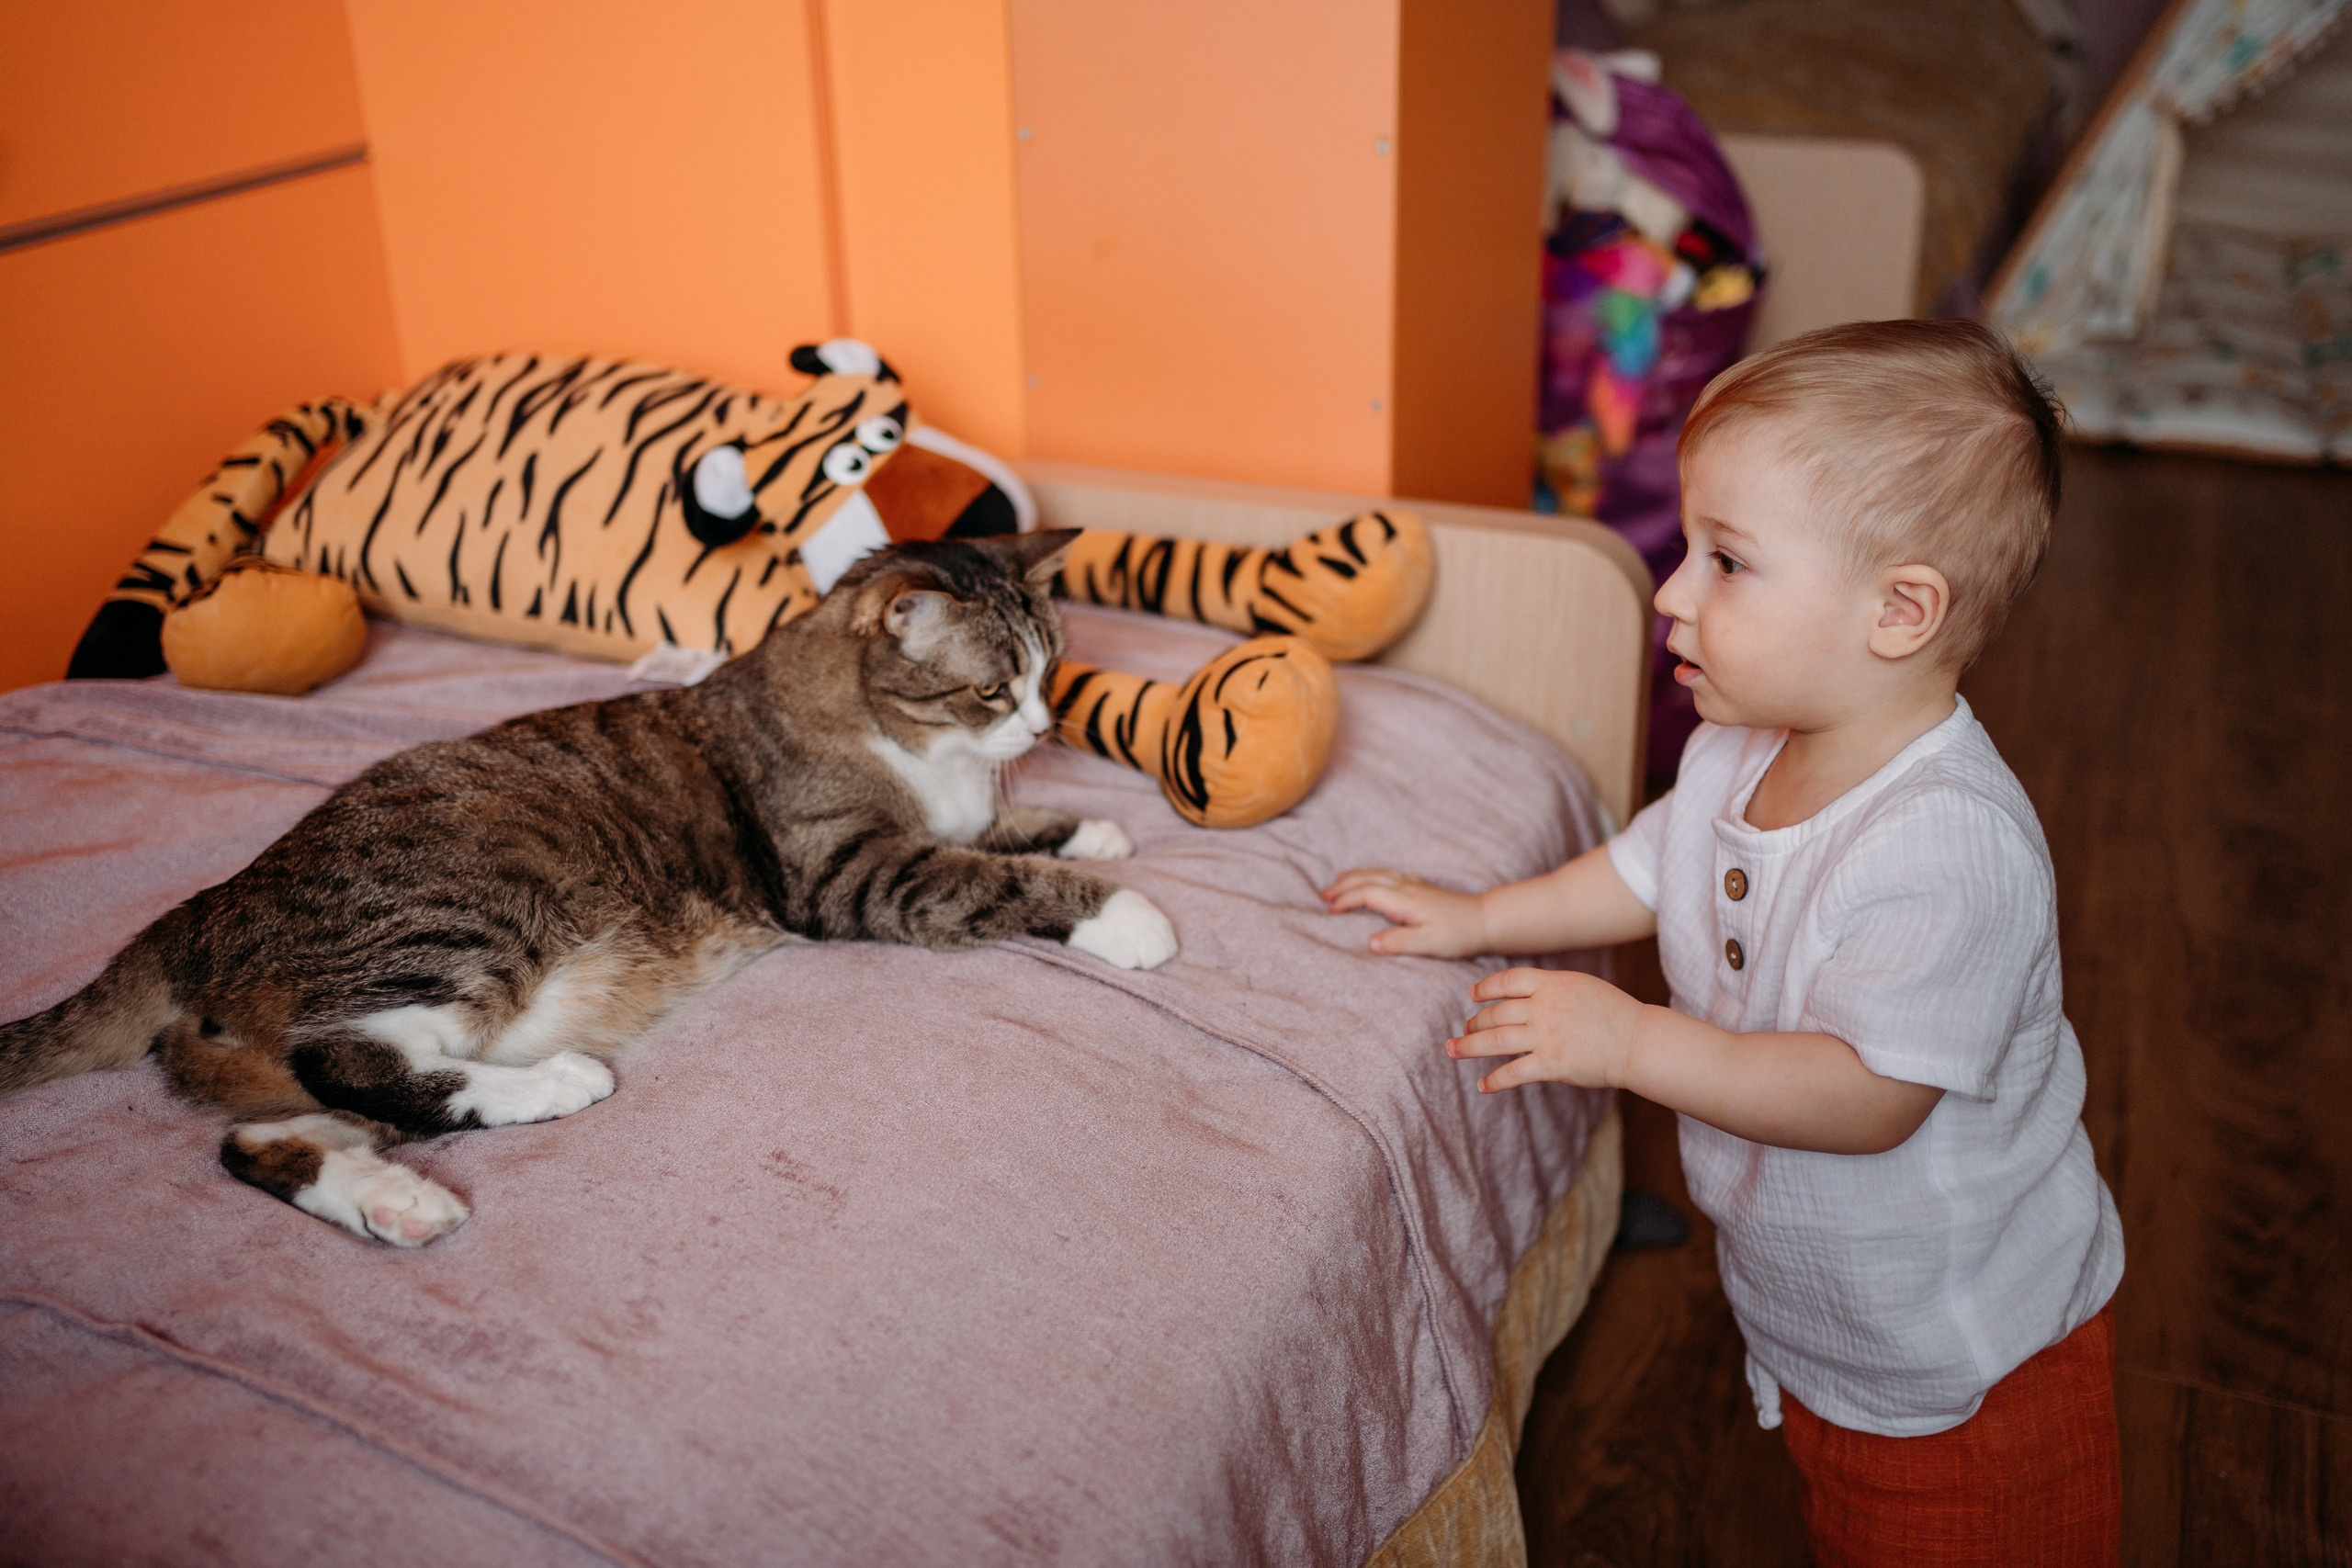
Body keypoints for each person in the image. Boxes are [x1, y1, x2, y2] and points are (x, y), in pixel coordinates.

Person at [1325, 320, 2122, 1566]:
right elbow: (1653, 865)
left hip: (1962, 1370)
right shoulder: (1736, 746)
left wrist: (1633, 1038)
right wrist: (1479, 917)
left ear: (1900, 611)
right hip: (1828, 1329)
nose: (1672, 590)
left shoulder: (1947, 849)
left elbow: (1868, 1096)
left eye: (1728, 562)